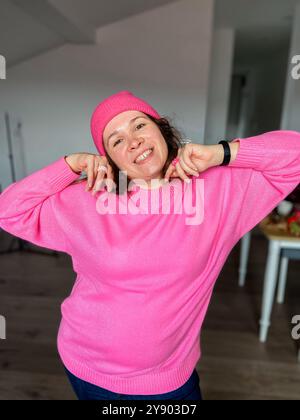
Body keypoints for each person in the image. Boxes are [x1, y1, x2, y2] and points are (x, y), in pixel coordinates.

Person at [0, 90, 299, 401]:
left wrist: (220, 153)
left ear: (161, 128)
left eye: (139, 125)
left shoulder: (217, 190)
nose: (133, 141)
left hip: (164, 382)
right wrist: (70, 165)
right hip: (83, 363)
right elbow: (8, 210)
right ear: (109, 159)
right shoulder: (89, 199)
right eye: (116, 141)